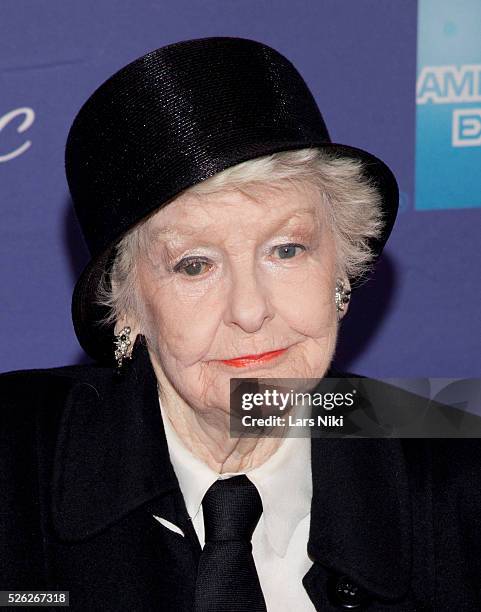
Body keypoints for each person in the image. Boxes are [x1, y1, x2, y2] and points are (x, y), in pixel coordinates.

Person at [1, 36, 481, 612]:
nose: (251, 312)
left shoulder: (452, 448)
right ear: (127, 306)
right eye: (194, 265)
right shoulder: (13, 453)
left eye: (287, 250)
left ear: (343, 268)